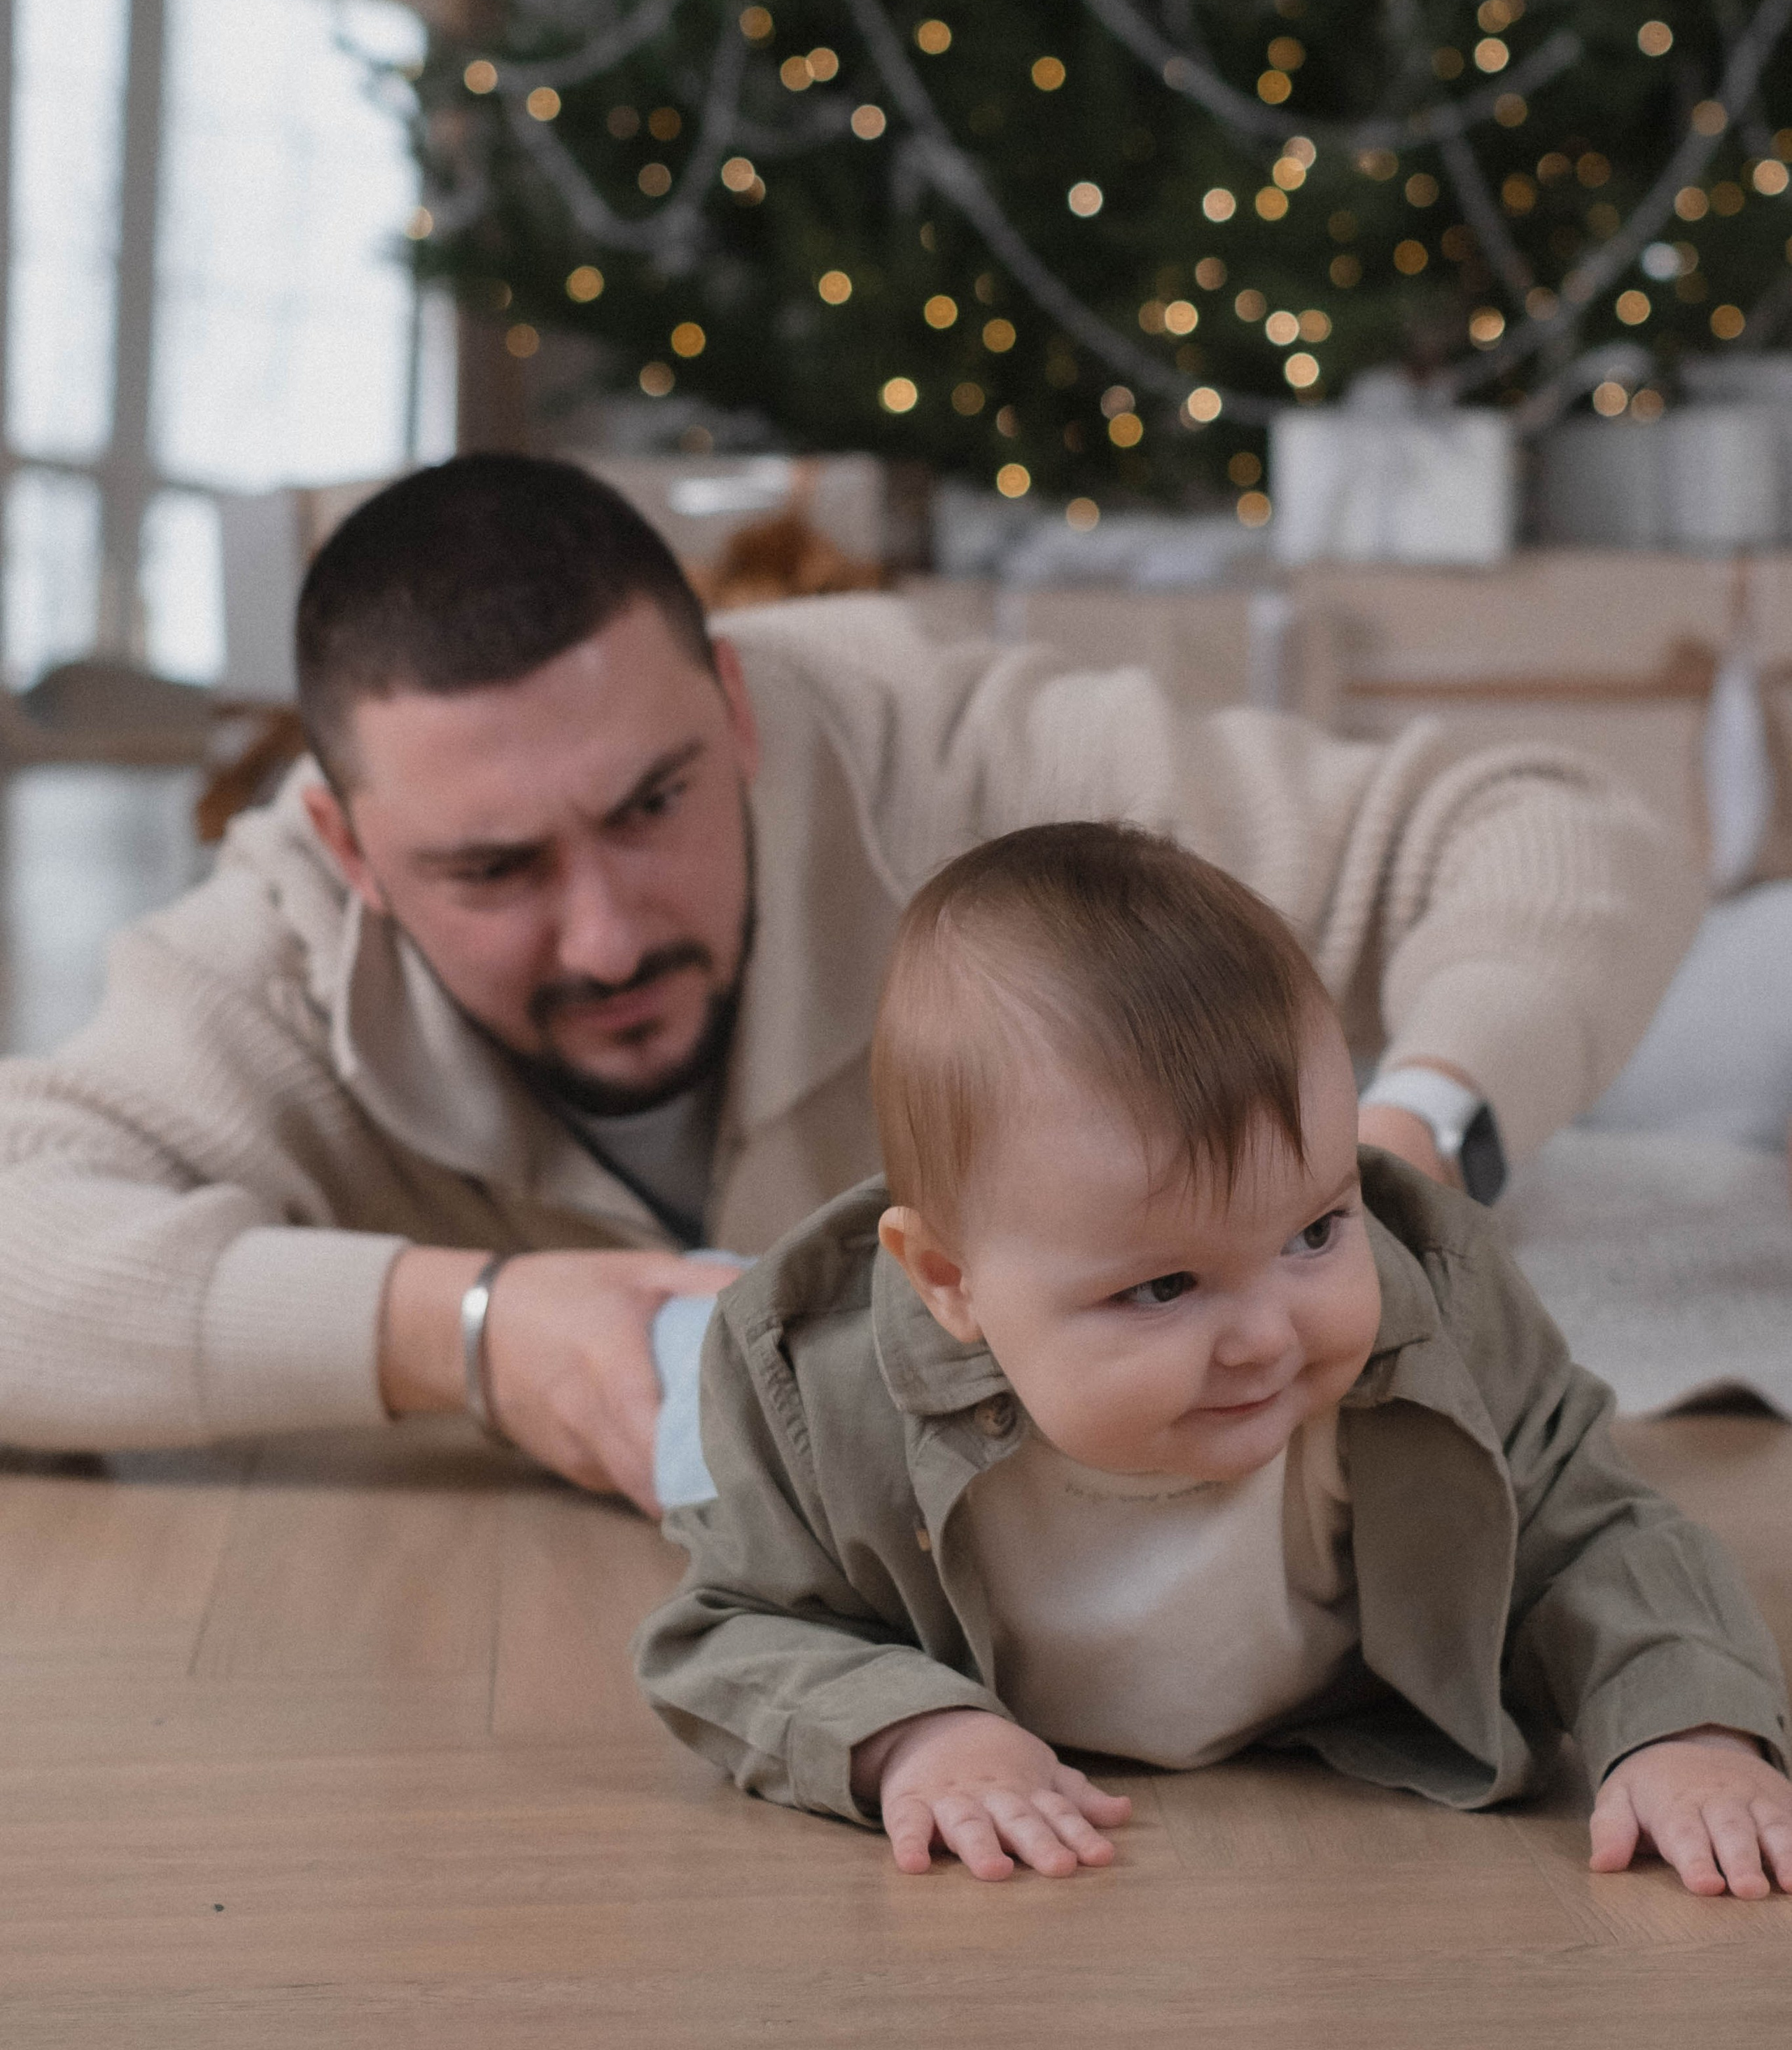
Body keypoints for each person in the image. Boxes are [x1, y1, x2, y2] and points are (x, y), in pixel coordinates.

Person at [0, 457, 1700, 1505]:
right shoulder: (282, 935)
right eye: (492, 869)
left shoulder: (940, 745)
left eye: (654, 805)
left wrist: (1412, 1145)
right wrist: (462, 1331)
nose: (603, 937)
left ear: (735, 714)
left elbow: (1552, 828)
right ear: (354, 855)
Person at [636, 825, 1791, 1896]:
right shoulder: (816, 1402)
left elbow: (1597, 1533)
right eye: (1162, 1287)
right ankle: (667, 1310)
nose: (1266, 1335)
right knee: (680, 1407)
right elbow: (729, 1630)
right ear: (951, 1282)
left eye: (1311, 1231)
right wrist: (913, 1733)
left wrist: (1682, 1730)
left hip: (1331, 1709)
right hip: (794, 1395)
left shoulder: (1429, 1296)